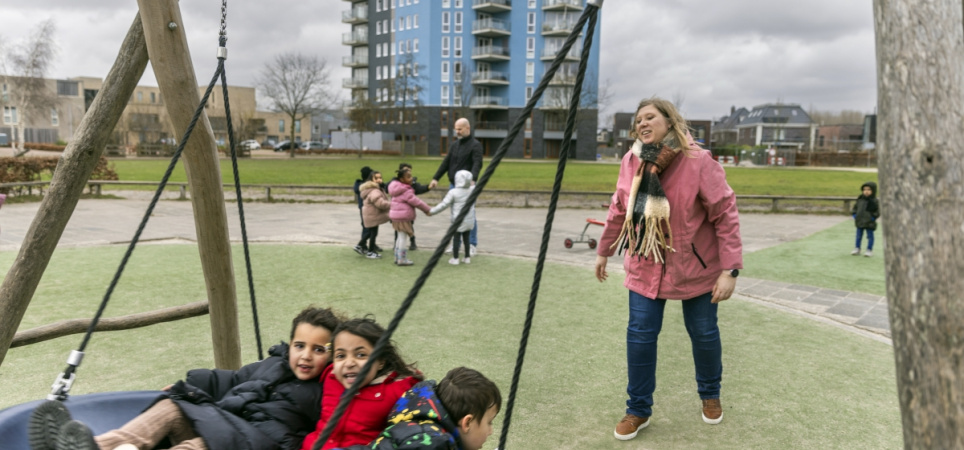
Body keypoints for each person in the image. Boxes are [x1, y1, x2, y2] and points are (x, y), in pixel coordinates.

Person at [594, 97, 742, 441]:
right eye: (638, 120)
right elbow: (619, 207)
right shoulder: (632, 159)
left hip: (697, 267)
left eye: (650, 117)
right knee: (640, 336)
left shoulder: (698, 160)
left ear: (669, 121)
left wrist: (729, 269)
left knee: (704, 334)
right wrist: (604, 250)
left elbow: (725, 212)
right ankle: (638, 409)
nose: (642, 124)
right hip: (646, 263)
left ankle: (710, 394)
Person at [31, 306, 345, 450]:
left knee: (201, 444)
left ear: (332, 355)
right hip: (224, 423)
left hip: (250, 443)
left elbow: (334, 428)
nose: (305, 356)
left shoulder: (326, 391)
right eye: (300, 346)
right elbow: (232, 380)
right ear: (289, 345)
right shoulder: (273, 364)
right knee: (174, 407)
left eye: (319, 350)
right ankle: (97, 446)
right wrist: (193, 384)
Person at [300, 316, 422, 450]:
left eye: (360, 355)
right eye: (341, 356)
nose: (349, 363)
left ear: (381, 361)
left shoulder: (398, 389)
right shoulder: (331, 376)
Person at [360, 366, 502, 450]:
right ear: (467, 423)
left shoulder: (428, 429)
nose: (490, 431)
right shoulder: (433, 442)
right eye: (489, 422)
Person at [429, 118, 483, 255]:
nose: (457, 132)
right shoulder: (454, 145)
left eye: (459, 129)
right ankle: (456, 244)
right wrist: (436, 178)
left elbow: (477, 164)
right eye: (456, 129)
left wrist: (473, 180)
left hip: (467, 187)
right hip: (453, 185)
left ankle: (471, 244)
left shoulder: (476, 145)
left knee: (469, 214)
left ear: (467, 128)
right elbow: (446, 163)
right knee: (455, 215)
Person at [429, 170, 476, 266]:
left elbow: (444, 205)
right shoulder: (472, 190)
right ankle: (467, 257)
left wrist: (431, 211)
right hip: (469, 220)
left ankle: (455, 258)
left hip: (457, 221)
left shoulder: (453, 192)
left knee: (456, 239)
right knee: (466, 238)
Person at [388, 168, 431, 266]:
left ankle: (397, 257)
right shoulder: (406, 190)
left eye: (411, 176)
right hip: (403, 217)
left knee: (399, 236)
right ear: (402, 179)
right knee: (403, 237)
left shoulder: (395, 188)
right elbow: (416, 202)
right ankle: (402, 259)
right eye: (408, 177)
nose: (411, 178)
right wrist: (427, 209)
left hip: (395, 216)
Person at [358, 171, 390, 259]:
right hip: (373, 214)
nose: (379, 180)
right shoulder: (375, 191)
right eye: (376, 178)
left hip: (371, 214)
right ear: (371, 180)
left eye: (380, 178)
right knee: (373, 233)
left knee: (371, 233)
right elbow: (380, 203)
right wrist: (392, 204)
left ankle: (361, 245)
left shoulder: (372, 189)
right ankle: (370, 251)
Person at [851, 181, 879, 257]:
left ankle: (869, 250)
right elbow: (855, 208)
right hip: (860, 221)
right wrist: (854, 214)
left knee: (870, 236)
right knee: (858, 236)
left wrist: (873, 218)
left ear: (873, 191)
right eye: (864, 189)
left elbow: (877, 211)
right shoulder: (860, 199)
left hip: (869, 222)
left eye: (869, 190)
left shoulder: (874, 201)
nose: (866, 191)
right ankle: (857, 248)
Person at [354, 166, 377, 256]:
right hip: (365, 208)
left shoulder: (362, 185)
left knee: (369, 228)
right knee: (367, 228)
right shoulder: (365, 186)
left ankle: (371, 244)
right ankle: (362, 245)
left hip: (365, 208)